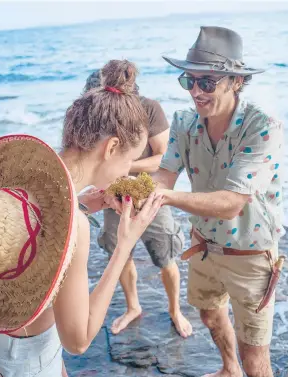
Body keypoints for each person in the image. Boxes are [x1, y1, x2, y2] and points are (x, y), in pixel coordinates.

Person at [0, 60, 164, 377]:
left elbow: (35, 242)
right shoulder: (75, 225)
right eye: (129, 160)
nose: (127, 173)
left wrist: (83, 205)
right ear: (112, 147)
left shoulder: (21, 182)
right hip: (26, 363)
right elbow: (79, 340)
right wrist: (124, 245)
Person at [155, 26, 285, 377]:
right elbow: (163, 177)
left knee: (255, 355)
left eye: (207, 82)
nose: (196, 91)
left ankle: (240, 367)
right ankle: (229, 370)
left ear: (236, 81)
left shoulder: (262, 126)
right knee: (210, 315)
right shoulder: (184, 122)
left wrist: (164, 197)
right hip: (203, 246)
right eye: (189, 81)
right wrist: (123, 191)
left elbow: (231, 202)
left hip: (250, 255)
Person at [83, 68, 192, 338]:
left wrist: (126, 165)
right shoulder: (95, 117)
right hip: (111, 194)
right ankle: (133, 307)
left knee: (164, 254)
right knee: (119, 252)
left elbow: (164, 158)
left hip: (149, 192)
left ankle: (175, 309)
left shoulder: (149, 109)